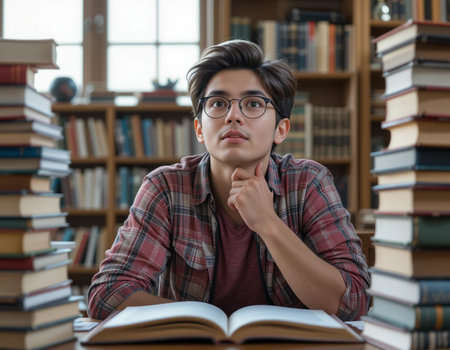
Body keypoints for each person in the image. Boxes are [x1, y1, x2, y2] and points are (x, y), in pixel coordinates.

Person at [88, 39, 370, 321]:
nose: (233, 116)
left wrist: (268, 224)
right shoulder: (166, 188)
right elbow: (107, 295)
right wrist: (199, 321)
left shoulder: (309, 183)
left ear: (280, 130)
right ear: (199, 128)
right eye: (219, 103)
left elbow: (353, 301)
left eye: (254, 103)